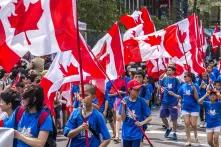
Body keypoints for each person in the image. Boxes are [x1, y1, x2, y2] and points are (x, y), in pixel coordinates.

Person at [120, 80, 151, 147]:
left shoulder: (141, 101)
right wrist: (123, 107)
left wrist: (141, 123)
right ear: (129, 90)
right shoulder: (124, 101)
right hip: (126, 133)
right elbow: (123, 119)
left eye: (139, 89)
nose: (138, 91)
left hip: (137, 133)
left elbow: (150, 117)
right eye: (136, 89)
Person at [178, 72, 200, 146]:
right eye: (184, 76)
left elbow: (197, 98)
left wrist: (194, 89)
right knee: (187, 123)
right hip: (185, 107)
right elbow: (180, 96)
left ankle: (196, 138)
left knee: (193, 124)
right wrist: (174, 95)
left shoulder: (195, 85)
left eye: (185, 76)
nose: (184, 78)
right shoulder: (183, 86)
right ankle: (189, 140)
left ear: (190, 77)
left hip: (194, 107)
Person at [159, 66, 180, 140]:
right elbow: (159, 83)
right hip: (165, 101)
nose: (168, 71)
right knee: (162, 116)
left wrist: (174, 94)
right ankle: (168, 128)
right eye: (167, 70)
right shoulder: (164, 78)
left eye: (170, 70)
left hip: (173, 102)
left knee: (174, 118)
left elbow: (179, 91)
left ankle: (174, 132)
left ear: (174, 71)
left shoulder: (176, 80)